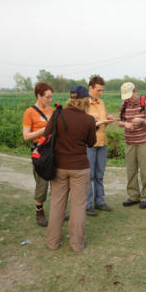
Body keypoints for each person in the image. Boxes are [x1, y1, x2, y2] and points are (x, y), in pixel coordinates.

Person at [43, 85, 97, 251]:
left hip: (59, 166)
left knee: (57, 204)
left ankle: (52, 242)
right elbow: (91, 143)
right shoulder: (88, 120)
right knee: (78, 206)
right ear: (84, 100)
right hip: (79, 168)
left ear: (71, 98)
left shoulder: (58, 114)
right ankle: (77, 244)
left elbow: (46, 133)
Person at [117, 82, 146, 209]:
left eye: (130, 95)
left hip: (144, 141)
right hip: (130, 142)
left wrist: (141, 120)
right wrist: (125, 124)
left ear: (136, 91)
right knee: (131, 170)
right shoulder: (124, 104)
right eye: (126, 96)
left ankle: (145, 197)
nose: (129, 98)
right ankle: (133, 196)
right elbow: (119, 121)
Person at [22, 83, 54, 227]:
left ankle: (57, 210)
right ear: (39, 96)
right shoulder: (29, 112)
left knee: (57, 181)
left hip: (53, 150)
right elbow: (26, 136)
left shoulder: (52, 111)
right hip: (40, 152)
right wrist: (43, 131)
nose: (50, 100)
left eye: (51, 97)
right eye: (47, 97)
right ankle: (39, 212)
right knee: (42, 183)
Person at [85, 76, 115, 216]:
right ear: (90, 88)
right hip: (89, 143)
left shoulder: (101, 102)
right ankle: (87, 204)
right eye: (98, 90)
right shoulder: (83, 103)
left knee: (99, 174)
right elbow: (83, 124)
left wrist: (107, 120)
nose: (100, 93)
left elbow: (100, 120)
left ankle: (100, 201)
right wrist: (98, 122)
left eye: (102, 90)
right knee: (89, 175)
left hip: (102, 141)